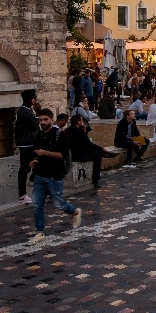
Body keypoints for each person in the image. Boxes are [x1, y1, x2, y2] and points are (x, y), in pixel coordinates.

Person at [27, 109, 82, 245]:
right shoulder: (39, 135)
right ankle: (40, 232)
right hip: (40, 175)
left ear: (52, 120)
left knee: (58, 204)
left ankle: (74, 212)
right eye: (40, 120)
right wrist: (35, 160)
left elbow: (62, 155)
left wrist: (44, 153)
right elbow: (37, 153)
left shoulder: (59, 135)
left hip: (54, 176)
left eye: (46, 119)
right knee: (36, 205)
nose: (43, 122)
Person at [66, 114, 105, 189]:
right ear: (78, 122)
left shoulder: (68, 130)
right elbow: (88, 144)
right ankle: (95, 179)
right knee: (98, 154)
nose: (83, 123)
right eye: (82, 121)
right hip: (78, 155)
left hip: (72, 153)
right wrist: (101, 149)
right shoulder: (78, 132)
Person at [15, 89, 39, 204]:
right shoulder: (25, 112)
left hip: (29, 143)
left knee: (36, 163)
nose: (36, 100)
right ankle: (22, 194)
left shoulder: (27, 110)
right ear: (31, 99)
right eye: (35, 98)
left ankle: (36, 181)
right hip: (26, 144)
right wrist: (38, 113)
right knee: (24, 168)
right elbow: (35, 125)